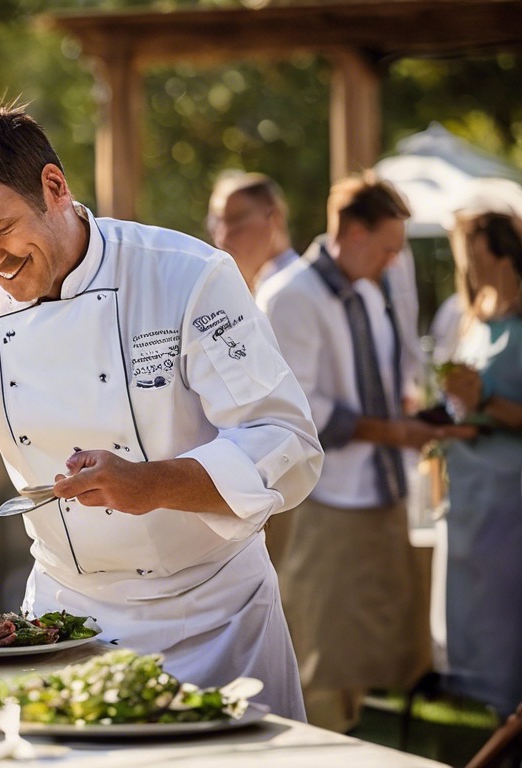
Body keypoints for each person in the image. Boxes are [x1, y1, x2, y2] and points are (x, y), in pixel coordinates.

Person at [0, 103, 322, 720]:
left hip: (218, 620)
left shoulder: (187, 276)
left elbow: (283, 441)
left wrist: (148, 483)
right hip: (66, 621)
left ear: (54, 187)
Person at [255, 173, 476, 732]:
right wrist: (395, 432)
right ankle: (319, 744)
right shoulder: (291, 296)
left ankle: (351, 736)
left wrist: (410, 413)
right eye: (386, 248)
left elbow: (373, 381)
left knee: (368, 647)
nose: (391, 261)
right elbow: (299, 409)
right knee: (321, 645)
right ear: (352, 233)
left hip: (377, 490)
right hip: (324, 499)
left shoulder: (371, 292)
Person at [439, 211, 522, 717]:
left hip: (512, 496)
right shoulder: (473, 314)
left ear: (488, 247)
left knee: (510, 618)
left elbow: (489, 399)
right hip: (471, 493)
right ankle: (495, 722)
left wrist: (485, 398)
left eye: (464, 245)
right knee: (481, 620)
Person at [207, 172, 300, 294]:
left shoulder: (288, 292)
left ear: (275, 218)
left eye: (236, 220)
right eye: (217, 225)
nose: (222, 239)